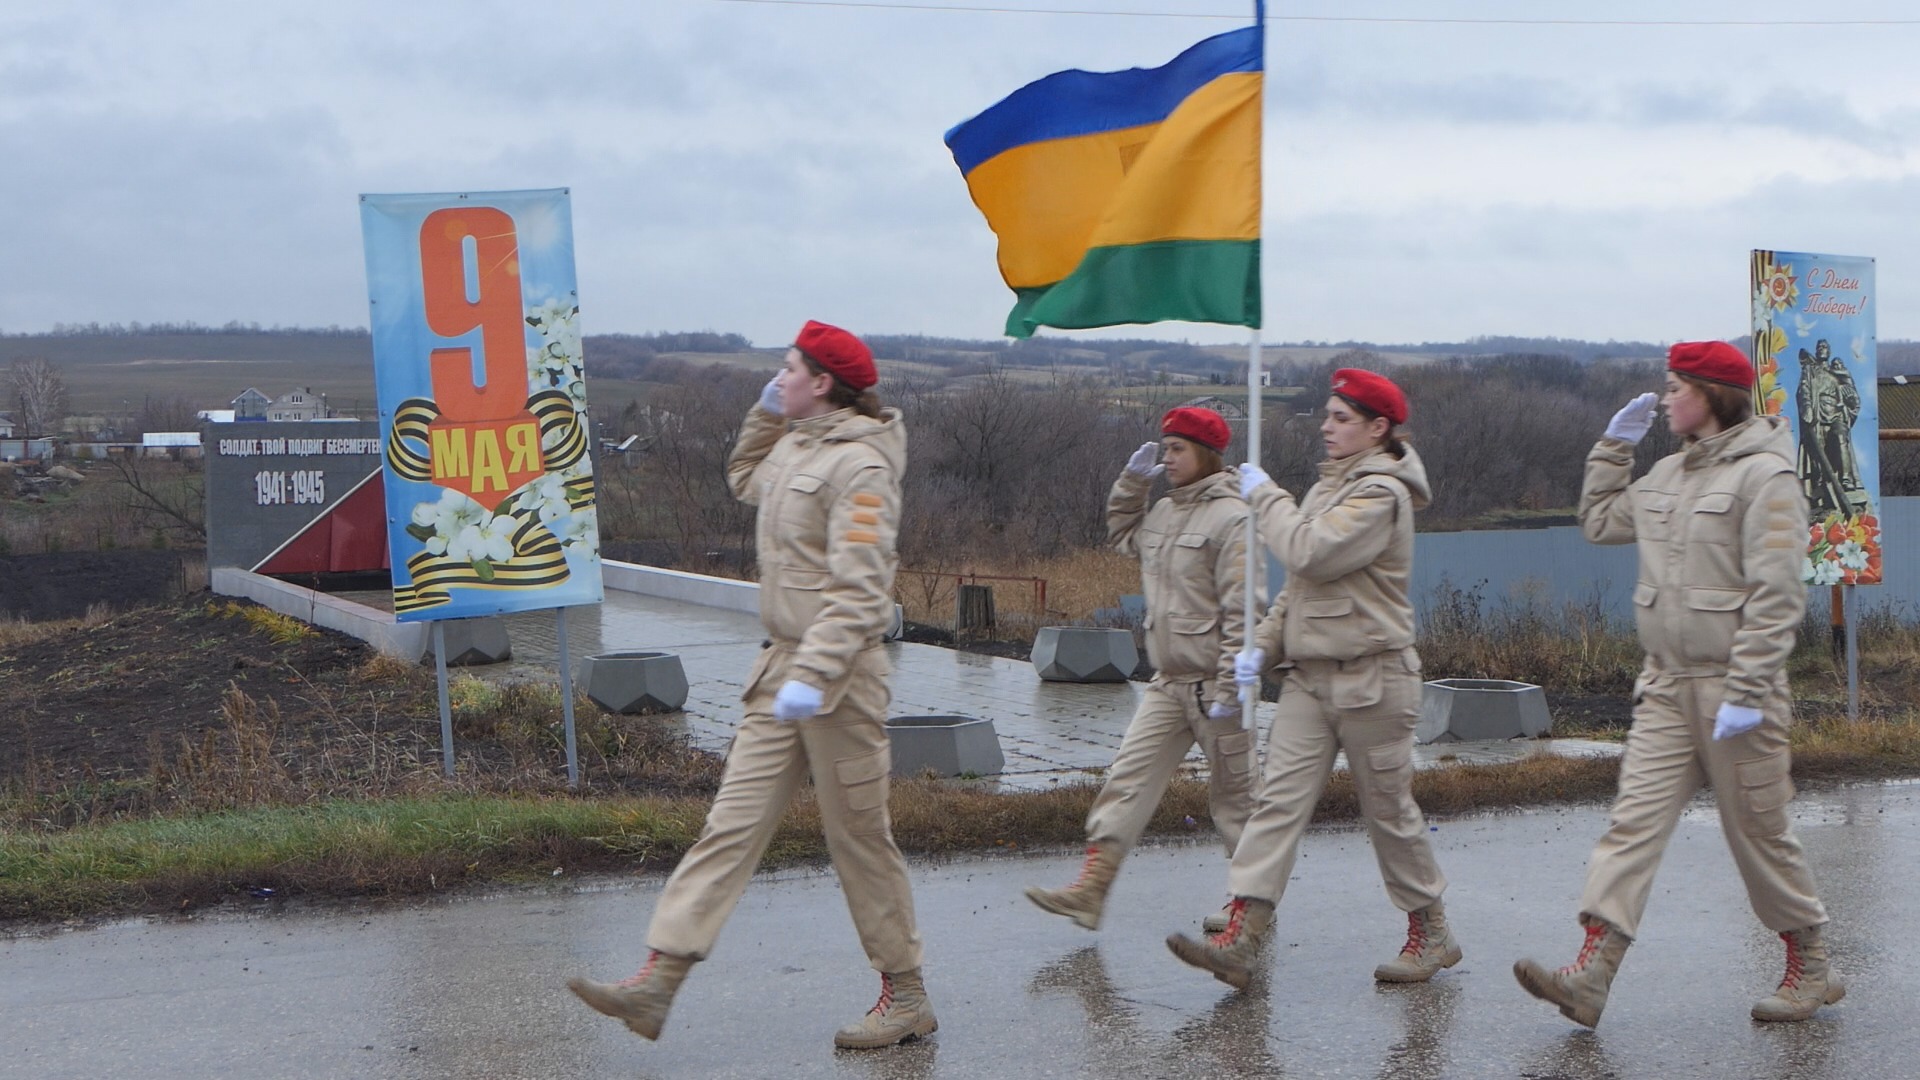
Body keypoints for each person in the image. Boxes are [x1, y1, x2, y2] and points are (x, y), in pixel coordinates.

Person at [568, 320, 936, 1050]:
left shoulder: (861, 469)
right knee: (729, 827)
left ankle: (907, 996)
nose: (780, 375)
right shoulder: (800, 444)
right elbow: (744, 479)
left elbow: (862, 593)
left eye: (788, 369)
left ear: (823, 383)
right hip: (780, 674)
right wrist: (767, 413)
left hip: (841, 680)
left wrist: (818, 671)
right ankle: (658, 982)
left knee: (859, 840)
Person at [1514, 340, 1843, 1027]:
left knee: (1759, 833)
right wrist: (1612, 450)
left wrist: (1749, 692)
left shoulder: (1767, 478)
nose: (1664, 400)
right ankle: (1591, 975)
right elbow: (1601, 523)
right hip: (1665, 687)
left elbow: (1778, 595)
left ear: (1712, 395)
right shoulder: (1666, 472)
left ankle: (1810, 966)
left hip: (1736, 691)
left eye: (1675, 388)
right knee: (1631, 826)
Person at [1166, 368, 1461, 990]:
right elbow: (1298, 592)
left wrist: (1266, 496)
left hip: (1374, 678)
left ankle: (1430, 932)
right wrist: (1261, 650)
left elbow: (1308, 552)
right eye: (1327, 416)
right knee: (1275, 803)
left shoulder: (1382, 495)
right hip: (1307, 680)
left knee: (1388, 813)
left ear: (1378, 429)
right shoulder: (1326, 490)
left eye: (1340, 418)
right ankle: (1241, 936)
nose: (1325, 427)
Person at [1025, 407, 1258, 933]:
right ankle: (1091, 890)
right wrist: (1133, 483)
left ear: (1206, 454)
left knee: (1237, 805)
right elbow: (1123, 533)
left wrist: (1229, 687)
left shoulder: (1233, 518)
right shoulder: (1166, 513)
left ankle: (1248, 908)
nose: (1167, 458)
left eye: (1178, 449)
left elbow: (1244, 610)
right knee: (1126, 782)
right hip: (1168, 683)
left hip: (1216, 685)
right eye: (1164, 448)